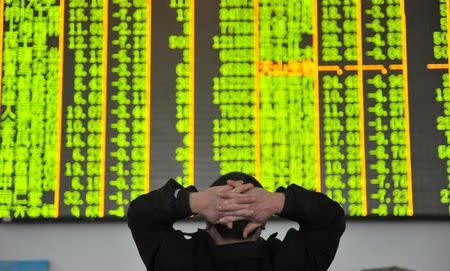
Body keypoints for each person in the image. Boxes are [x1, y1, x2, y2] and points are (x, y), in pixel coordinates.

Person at [127, 172, 345, 271]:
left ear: (207, 219)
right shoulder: (292, 263)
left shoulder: (176, 260)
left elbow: (140, 214)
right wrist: (276, 201)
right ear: (263, 222)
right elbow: (330, 217)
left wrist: (193, 200)